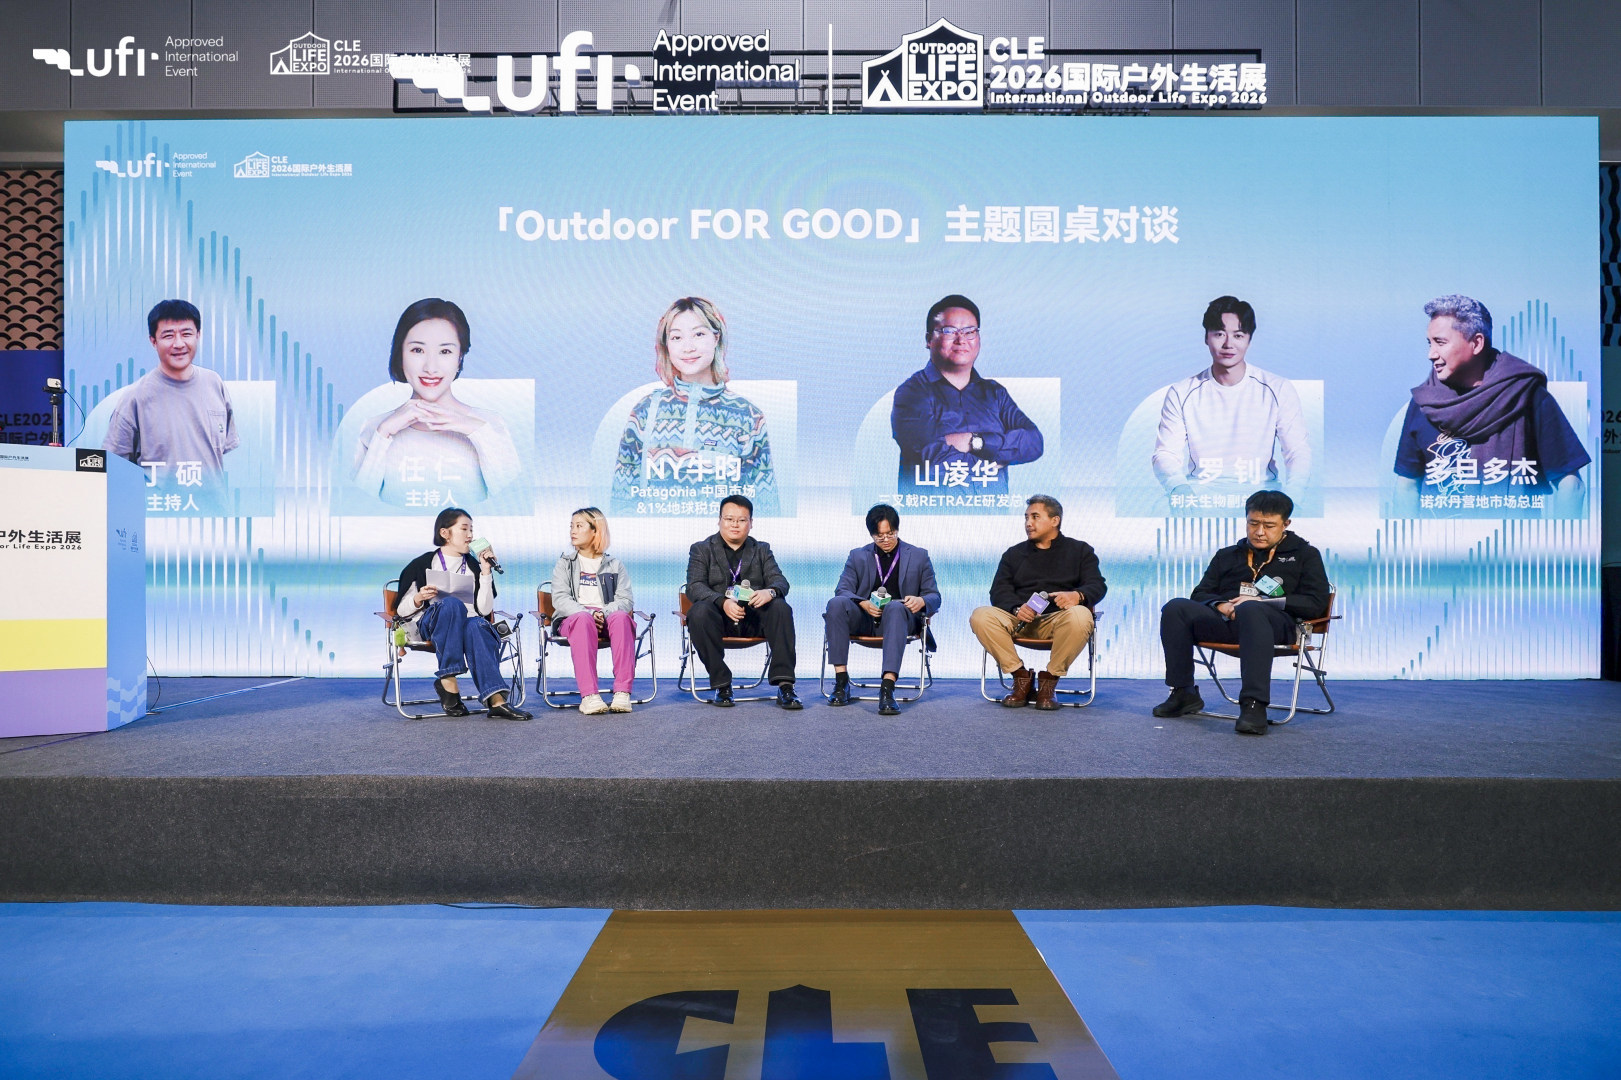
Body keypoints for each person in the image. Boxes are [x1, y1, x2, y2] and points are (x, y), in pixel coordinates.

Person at [1392, 295, 1589, 516]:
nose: (1431, 354)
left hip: (1511, 538)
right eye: (1430, 343)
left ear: (1476, 343)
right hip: (1437, 538)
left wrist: (1557, 539)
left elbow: (1571, 486)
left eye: (1441, 342)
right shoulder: (1424, 403)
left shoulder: (1527, 396)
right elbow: (1406, 487)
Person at [1155, 489, 1329, 735]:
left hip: (1278, 627)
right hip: (1229, 622)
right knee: (1176, 608)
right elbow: (1200, 593)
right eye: (1253, 523)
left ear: (1285, 524)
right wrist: (1220, 605)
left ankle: (1254, 704)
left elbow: (1315, 603)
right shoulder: (1228, 555)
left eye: (1269, 525)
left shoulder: (1305, 555)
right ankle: (1183, 692)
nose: (1259, 532)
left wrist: (1263, 601)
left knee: (1251, 608)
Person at [612, 297, 779, 516]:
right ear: (666, 345)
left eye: (699, 334)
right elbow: (621, 502)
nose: (688, 347)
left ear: (716, 338)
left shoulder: (748, 416)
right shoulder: (645, 411)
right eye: (676, 337)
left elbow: (765, 507)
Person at [354, 298, 522, 509]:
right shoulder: (374, 428)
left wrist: (476, 431)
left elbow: (514, 502)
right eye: (417, 350)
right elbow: (358, 507)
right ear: (400, 354)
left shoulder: (489, 424)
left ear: (460, 357)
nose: (430, 368)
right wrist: (383, 434)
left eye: (445, 351)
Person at [1152, 295, 1311, 498]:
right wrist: (1179, 489)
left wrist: (1293, 498)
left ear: (1249, 340)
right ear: (1206, 338)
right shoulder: (1181, 393)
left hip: (1262, 500)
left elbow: (1297, 451)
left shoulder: (1278, 389)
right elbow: (1165, 453)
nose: (1228, 344)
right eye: (1219, 334)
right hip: (1200, 497)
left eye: (1238, 335)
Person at [891, 294, 1043, 497]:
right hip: (932, 514)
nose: (961, 340)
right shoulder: (912, 393)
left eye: (970, 331)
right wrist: (996, 457)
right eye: (949, 331)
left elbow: (1034, 442)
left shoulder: (995, 393)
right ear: (929, 340)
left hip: (991, 514)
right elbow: (931, 459)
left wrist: (975, 442)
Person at [969, 495, 1106, 710]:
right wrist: (1016, 608)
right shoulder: (1013, 554)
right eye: (1026, 518)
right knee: (981, 615)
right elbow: (999, 591)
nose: (1028, 523)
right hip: (1019, 620)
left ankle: (1048, 682)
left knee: (1081, 615)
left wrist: (1077, 596)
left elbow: (1097, 585)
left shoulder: (1080, 551)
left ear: (1055, 520)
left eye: (1035, 517)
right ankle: (1021, 677)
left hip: (1058, 621)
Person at [394, 506, 531, 720]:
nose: (470, 535)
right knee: (451, 605)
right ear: (445, 533)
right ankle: (448, 679)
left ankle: (496, 700)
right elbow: (401, 611)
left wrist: (485, 571)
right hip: (432, 625)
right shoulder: (422, 564)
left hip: (467, 624)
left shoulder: (474, 566)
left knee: (477, 625)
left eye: (472, 530)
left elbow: (484, 610)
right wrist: (419, 598)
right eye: (464, 529)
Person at [103, 299, 239, 486]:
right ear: (153, 341)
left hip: (213, 504)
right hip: (162, 504)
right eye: (168, 335)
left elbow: (221, 449)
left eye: (186, 334)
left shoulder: (214, 383)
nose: (179, 343)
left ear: (198, 335)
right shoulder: (135, 398)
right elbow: (114, 465)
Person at [824, 503, 941, 715]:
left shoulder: (918, 555)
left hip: (900, 620)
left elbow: (934, 596)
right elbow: (842, 589)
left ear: (897, 529)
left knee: (895, 607)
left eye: (891, 533)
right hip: (866, 618)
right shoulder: (857, 556)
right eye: (880, 536)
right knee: (836, 603)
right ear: (871, 535)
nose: (886, 539)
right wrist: (863, 603)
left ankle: (887, 688)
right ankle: (841, 682)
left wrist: (921, 601)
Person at [684, 494, 799, 708]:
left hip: (754, 619)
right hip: (719, 620)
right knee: (698, 612)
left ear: (751, 523)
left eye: (741, 520)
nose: (735, 525)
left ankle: (785, 686)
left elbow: (780, 582)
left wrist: (770, 591)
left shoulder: (761, 549)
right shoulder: (701, 549)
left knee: (781, 607)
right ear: (719, 520)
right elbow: (694, 586)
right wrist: (722, 602)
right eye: (729, 519)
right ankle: (722, 685)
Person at [550, 506, 638, 715]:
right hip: (574, 620)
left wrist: (602, 614)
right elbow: (560, 598)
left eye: (579, 526)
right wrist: (589, 614)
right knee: (582, 619)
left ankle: (622, 693)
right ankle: (589, 696)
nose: (573, 531)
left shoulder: (614, 565)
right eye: (571, 526)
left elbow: (625, 599)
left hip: (607, 618)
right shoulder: (565, 563)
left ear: (595, 531)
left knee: (621, 618)